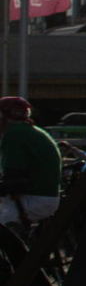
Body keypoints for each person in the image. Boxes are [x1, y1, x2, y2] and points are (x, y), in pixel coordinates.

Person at [0, 97, 63, 231]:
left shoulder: (14, 134)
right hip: (44, 197)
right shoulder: (31, 131)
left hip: (33, 200)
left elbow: (14, 179)